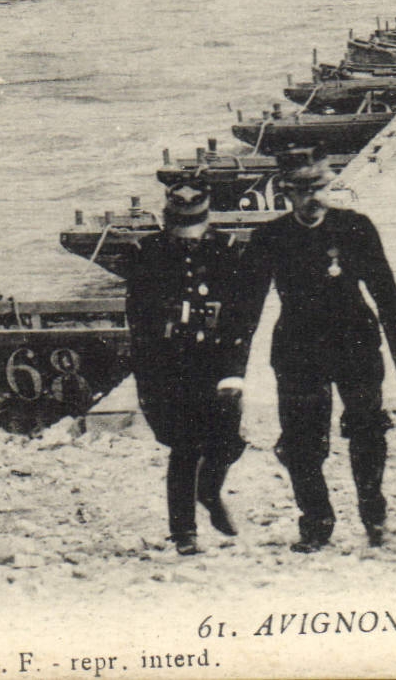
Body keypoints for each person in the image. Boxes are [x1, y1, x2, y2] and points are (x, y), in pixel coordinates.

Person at [247, 149, 396, 552]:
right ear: (286, 193)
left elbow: (385, 291)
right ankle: (316, 521)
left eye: (319, 187)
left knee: (368, 431)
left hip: (355, 342)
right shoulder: (270, 238)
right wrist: (231, 369)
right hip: (298, 348)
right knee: (302, 441)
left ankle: (373, 510)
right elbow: (246, 307)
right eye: (302, 191)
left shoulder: (355, 227)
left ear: (330, 185)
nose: (313, 198)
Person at [125, 179, 267, 556]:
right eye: (179, 232)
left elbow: (242, 318)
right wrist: (147, 380)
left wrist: (235, 369)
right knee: (184, 447)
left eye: (193, 232)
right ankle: (183, 532)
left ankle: (209, 491)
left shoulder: (228, 251)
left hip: (216, 360)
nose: (186, 240)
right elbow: (138, 321)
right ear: (167, 220)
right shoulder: (147, 252)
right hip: (168, 366)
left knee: (229, 442)